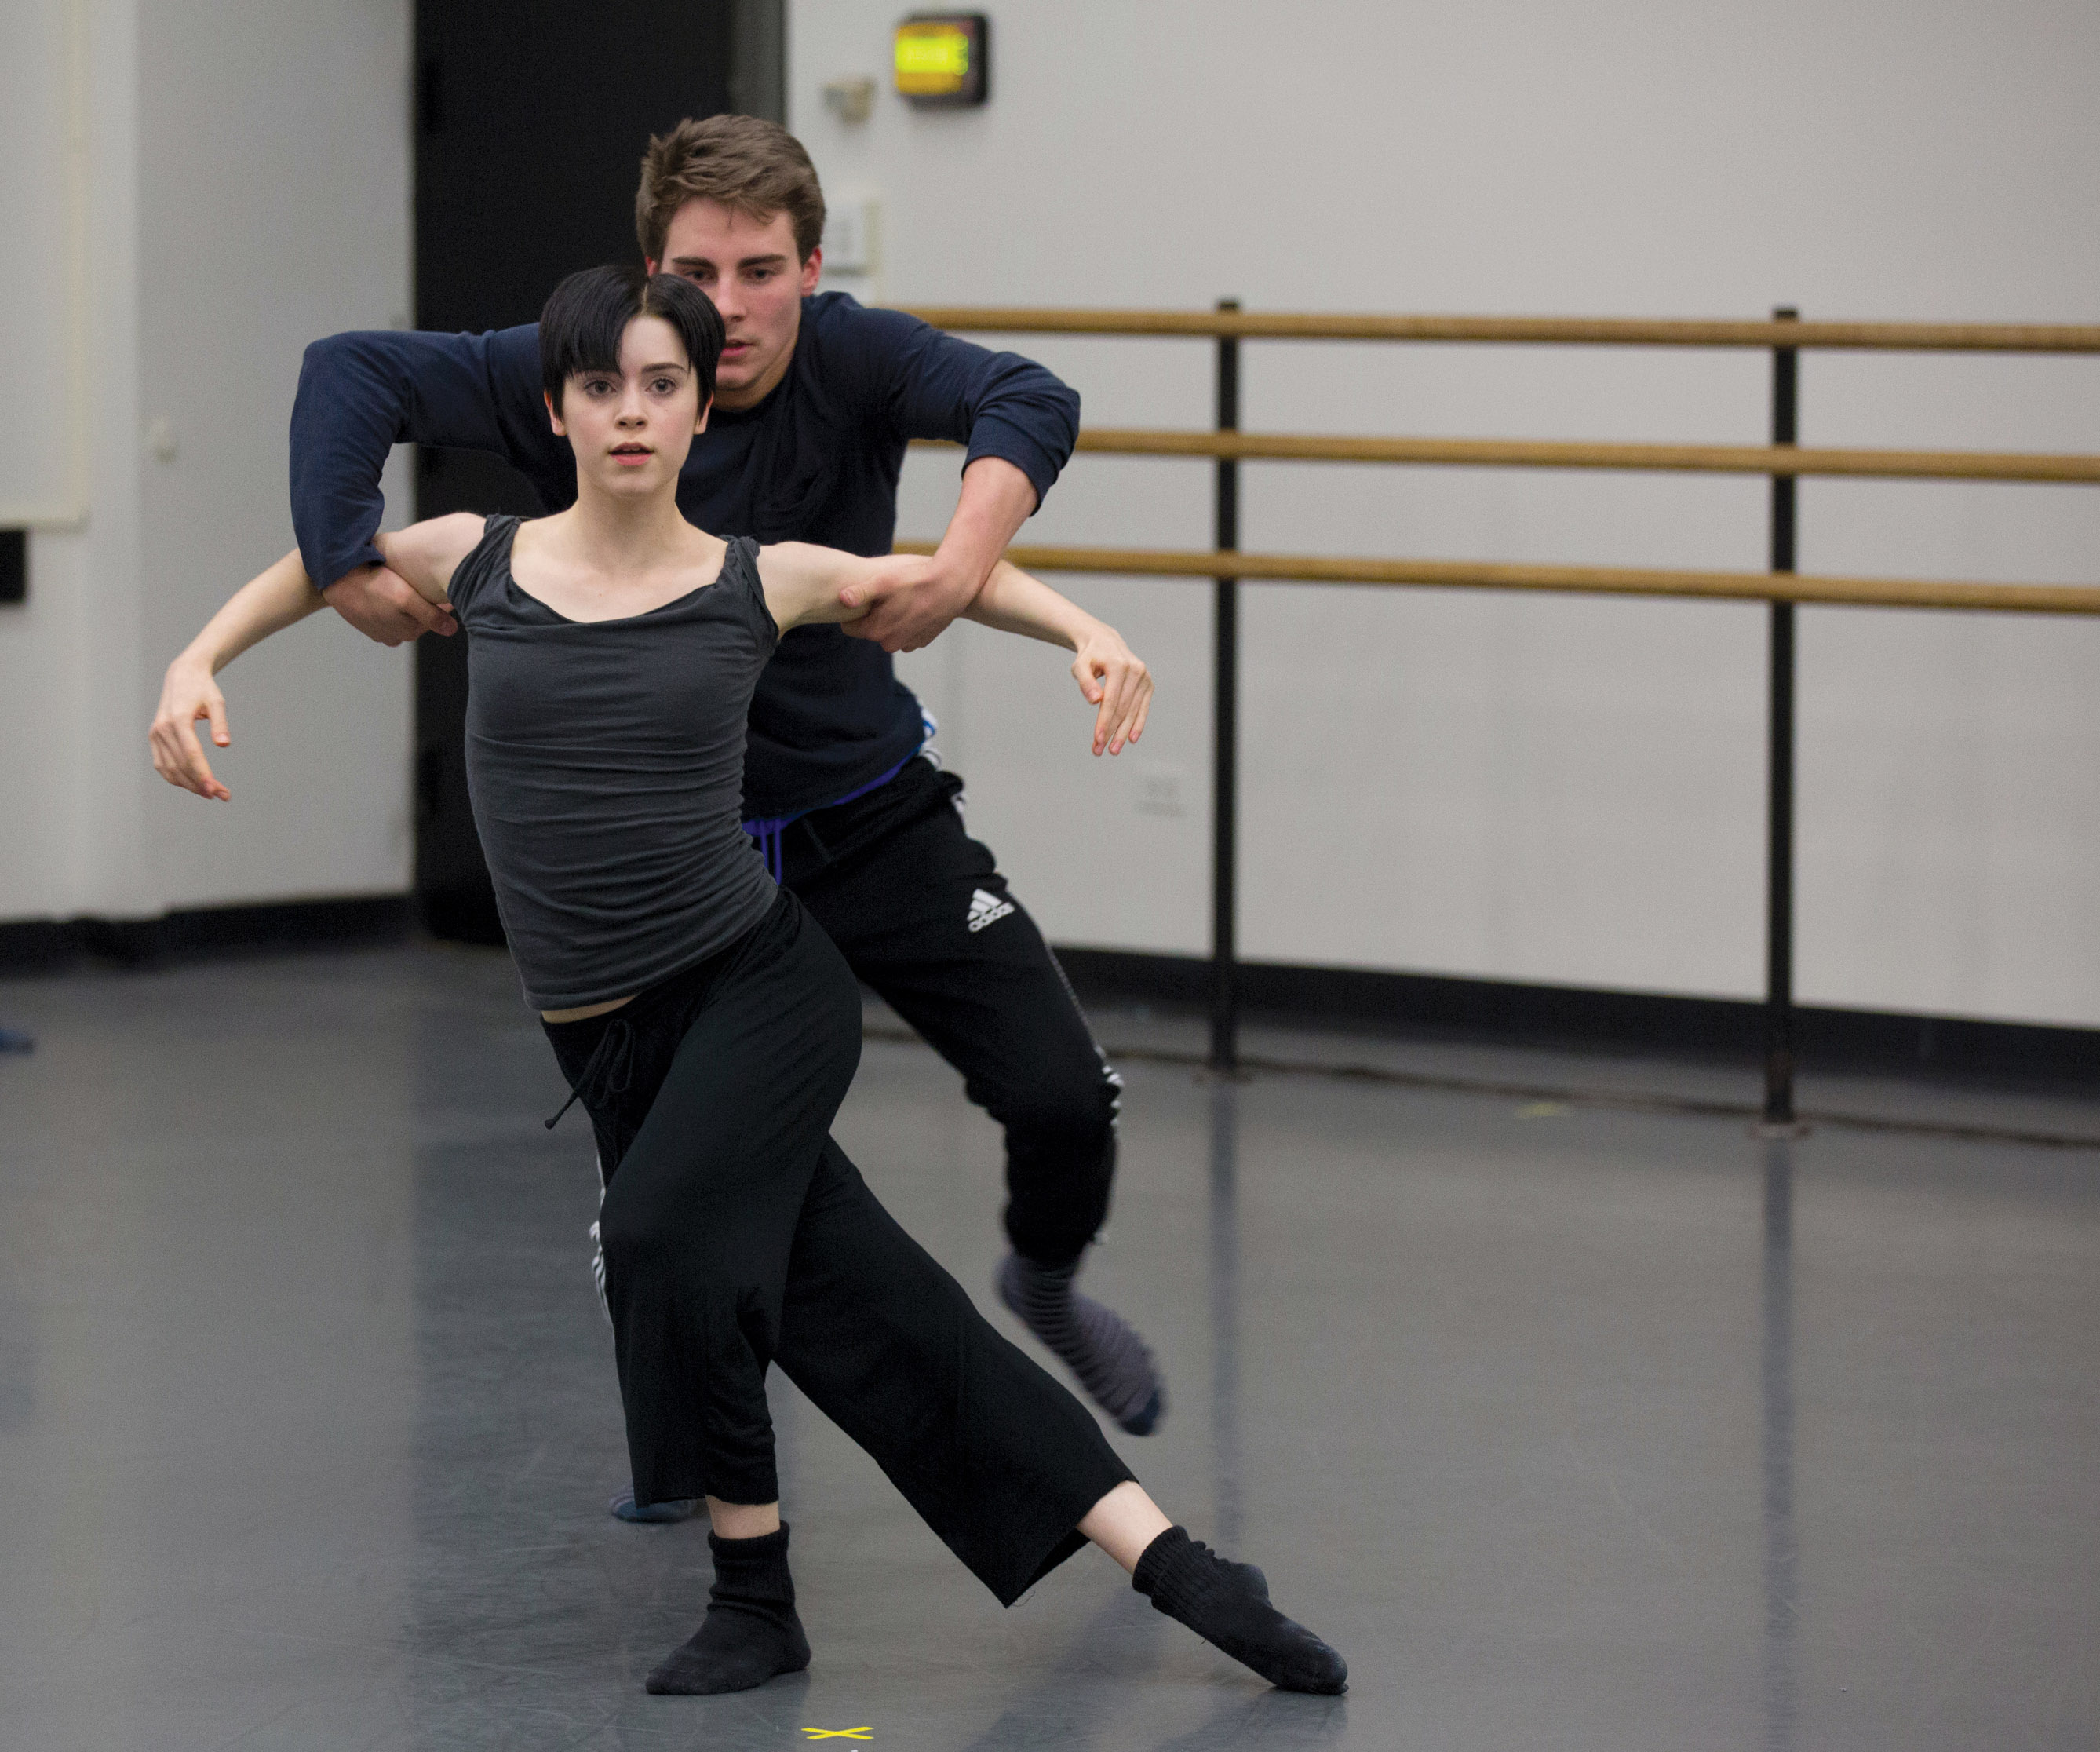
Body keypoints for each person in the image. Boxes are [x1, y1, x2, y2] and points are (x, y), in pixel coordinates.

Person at [149, 266, 1346, 1700]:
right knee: (872, 1307)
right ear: (559, 410)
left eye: (663, 386)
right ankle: (1172, 1570)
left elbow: (932, 577)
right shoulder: (476, 554)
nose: (633, 413)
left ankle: (755, 1580)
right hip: (607, 1038)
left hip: (759, 990)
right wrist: (195, 659)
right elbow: (313, 565)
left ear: (701, 406)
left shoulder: (750, 574)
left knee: (658, 1237)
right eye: (602, 388)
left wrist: (1089, 628)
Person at [274, 113, 1162, 1482]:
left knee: (1061, 1095)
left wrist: (950, 566)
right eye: (704, 272)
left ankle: (1042, 1282)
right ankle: (683, 1461)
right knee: (683, 1186)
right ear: (654, 273)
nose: (734, 308)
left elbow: (1028, 398)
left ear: (812, 266)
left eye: (763, 271)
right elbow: (351, 375)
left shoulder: (860, 356)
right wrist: (342, 564)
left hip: (864, 811)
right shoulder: (597, 369)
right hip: (668, 864)